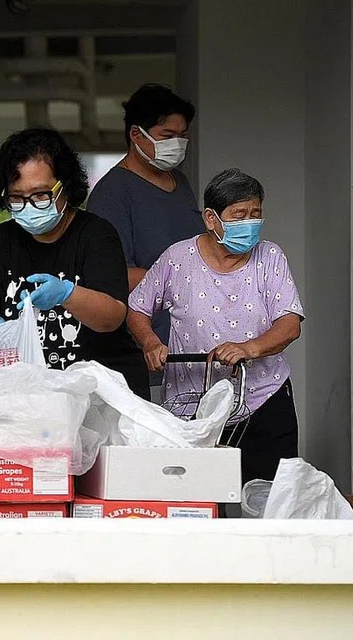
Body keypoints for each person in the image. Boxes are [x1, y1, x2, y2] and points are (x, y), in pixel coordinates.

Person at [127, 169, 304, 483]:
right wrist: (150, 341)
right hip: (191, 405)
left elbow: (290, 324)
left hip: (262, 398)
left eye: (255, 215)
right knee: (197, 500)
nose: (249, 223)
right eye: (239, 215)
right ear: (211, 218)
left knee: (271, 498)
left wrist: (248, 349)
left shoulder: (270, 257)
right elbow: (137, 308)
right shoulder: (177, 258)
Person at [0, 128, 149, 399]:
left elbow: (112, 316)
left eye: (40, 194)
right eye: (17, 197)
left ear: (65, 187)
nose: (29, 205)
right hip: (28, 396)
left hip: (100, 395)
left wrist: (67, 294)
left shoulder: (96, 235)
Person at [88, 84, 202, 397]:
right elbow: (110, 277)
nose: (177, 144)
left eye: (183, 136)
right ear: (137, 135)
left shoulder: (181, 184)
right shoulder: (111, 194)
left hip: (192, 348)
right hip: (143, 353)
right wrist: (182, 276)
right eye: (167, 136)